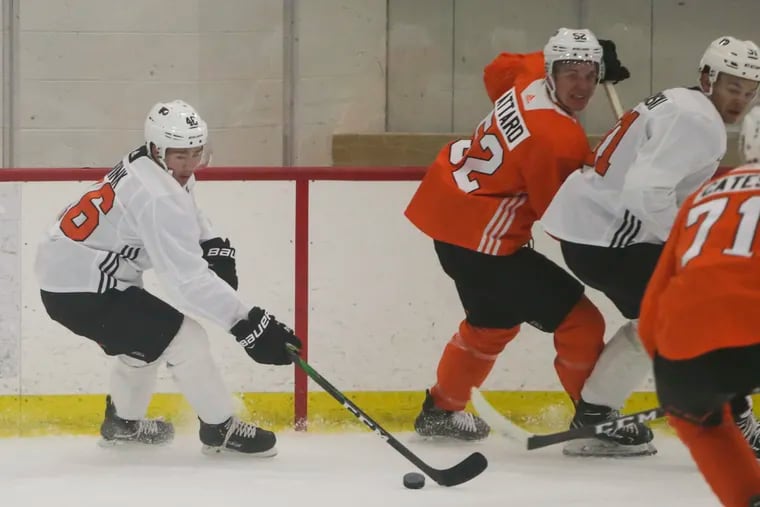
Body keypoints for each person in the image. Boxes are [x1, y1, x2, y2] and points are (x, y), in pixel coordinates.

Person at [35, 99, 301, 455]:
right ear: (158, 149)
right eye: (181, 156)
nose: (190, 165)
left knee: (145, 339)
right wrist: (249, 324)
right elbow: (186, 283)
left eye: (196, 153)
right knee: (185, 338)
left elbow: (185, 204)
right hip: (80, 288)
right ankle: (220, 428)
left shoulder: (151, 164)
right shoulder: (156, 195)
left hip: (76, 273)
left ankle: (122, 425)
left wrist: (212, 242)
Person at [404, 28, 629, 441]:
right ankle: (595, 420)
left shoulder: (527, 75)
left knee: (491, 325)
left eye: (589, 74)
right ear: (552, 71)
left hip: (450, 216)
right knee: (581, 323)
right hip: (483, 242)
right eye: (570, 74)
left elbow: (497, 70)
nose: (581, 86)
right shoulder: (558, 139)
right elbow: (559, 216)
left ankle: (442, 409)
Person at [541, 36, 760, 457]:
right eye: (733, 87)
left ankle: (595, 417)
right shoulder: (699, 122)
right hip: (611, 239)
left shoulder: (680, 101)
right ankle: (735, 423)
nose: (741, 100)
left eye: (750, 92)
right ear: (707, 78)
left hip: (592, 233)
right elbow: (647, 192)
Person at [638, 163, 760, 507]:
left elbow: (655, 304)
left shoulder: (702, 195)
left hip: (683, 356)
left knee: (702, 425)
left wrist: (675, 382)